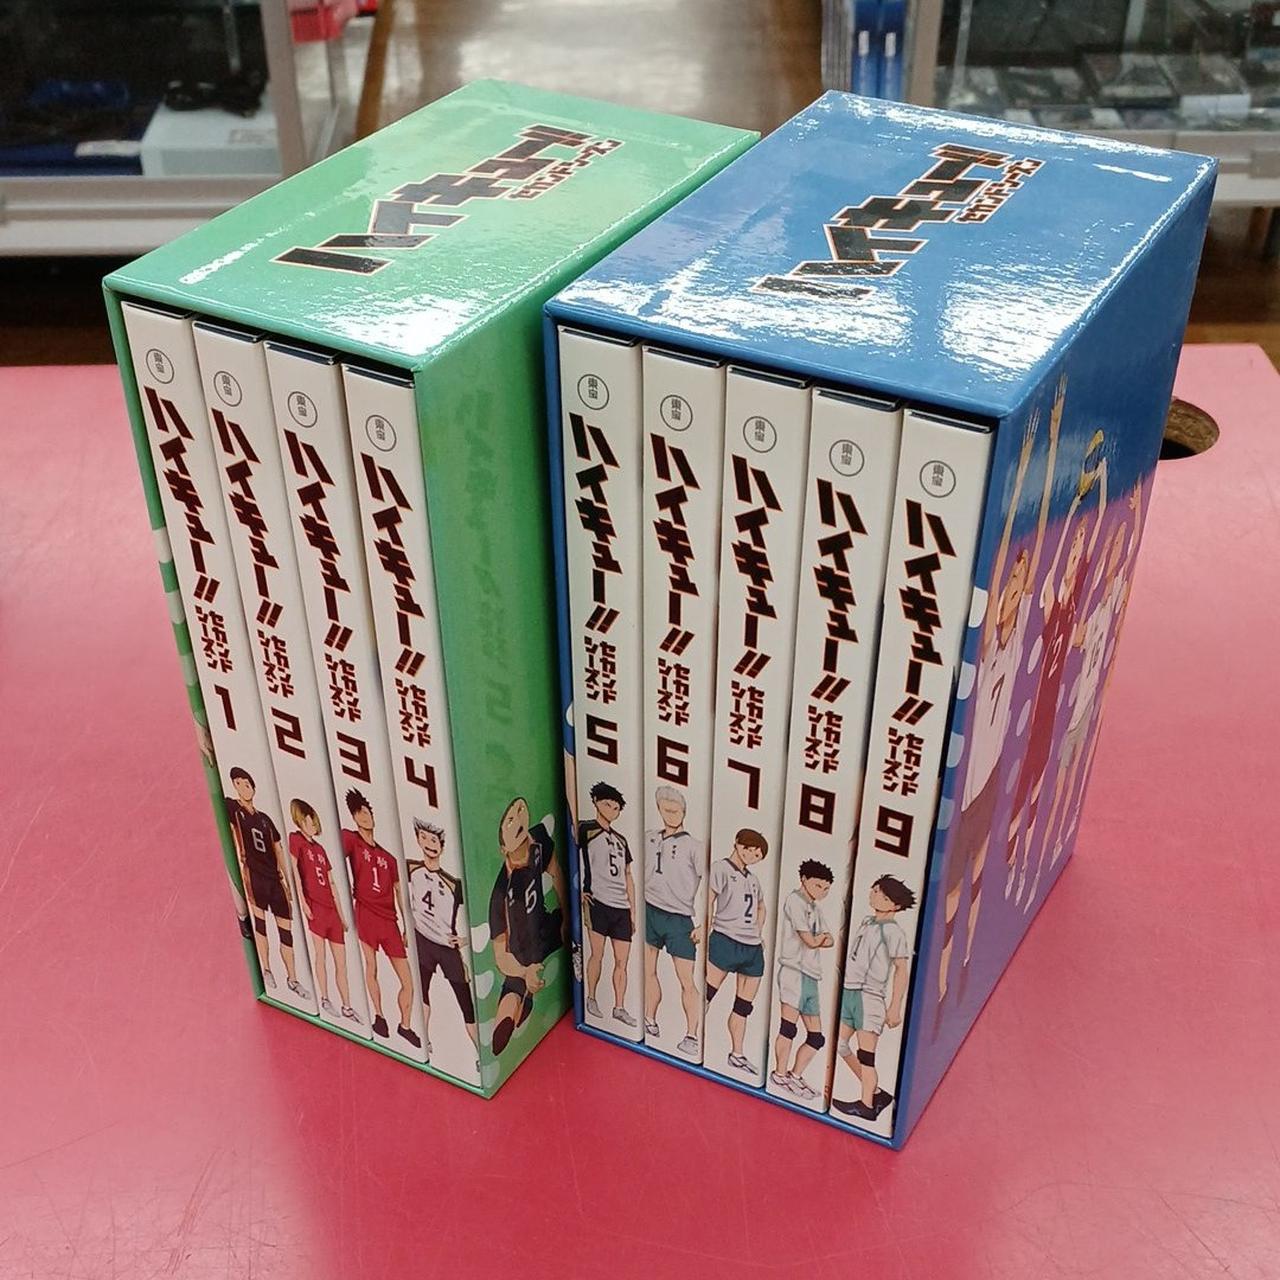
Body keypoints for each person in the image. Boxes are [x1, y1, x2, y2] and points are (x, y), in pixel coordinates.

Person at [933, 384, 1061, 1035]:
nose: (1015, 592)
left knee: (977, 884)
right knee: (952, 891)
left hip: (988, 782)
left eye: (1020, 585)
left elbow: (1033, 541)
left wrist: (1047, 444)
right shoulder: (984, 640)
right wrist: (1029, 452)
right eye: (1008, 586)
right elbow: (1006, 540)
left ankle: (960, 977)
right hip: (965, 786)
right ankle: (941, 990)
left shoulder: (1017, 638)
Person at [1006, 426, 1108, 907]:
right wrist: (1075, 502)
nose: (1077, 549)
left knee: (1038, 788)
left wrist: (1098, 482)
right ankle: (1013, 861)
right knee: (1020, 789)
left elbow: (1093, 533)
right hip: (1030, 710)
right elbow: (1063, 541)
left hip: (1052, 712)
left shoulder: (1077, 601)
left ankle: (1025, 863)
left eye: (1080, 544)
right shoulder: (1050, 597)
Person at [832, 876, 916, 1122]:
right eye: (876, 890)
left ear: (895, 905)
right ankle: (876, 1093)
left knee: (866, 1056)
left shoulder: (893, 932)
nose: (875, 895)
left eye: (883, 895)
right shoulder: (867, 922)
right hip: (851, 991)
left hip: (870, 996)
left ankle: (867, 1105)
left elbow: (901, 970)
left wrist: (895, 1006)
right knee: (840, 1044)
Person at [342, 788, 420, 1048]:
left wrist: (407, 926)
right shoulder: (351, 839)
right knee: (371, 966)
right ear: (354, 817)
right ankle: (379, 1016)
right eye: (359, 813)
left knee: (408, 981)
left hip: (390, 921)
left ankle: (405, 1025)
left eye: (367, 812)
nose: (365, 816)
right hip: (365, 912)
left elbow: (400, 893)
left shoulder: (389, 858)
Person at [490, 797, 567, 1054]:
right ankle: (509, 1016)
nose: (517, 818)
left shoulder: (539, 839)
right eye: (509, 820)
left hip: (544, 927)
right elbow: (500, 956)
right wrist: (524, 972)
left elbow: (555, 871)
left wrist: (568, 918)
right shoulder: (501, 892)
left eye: (520, 810)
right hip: (520, 952)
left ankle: (524, 1003)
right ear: (503, 848)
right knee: (513, 992)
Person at [226, 767, 308, 1000]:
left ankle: (293, 979)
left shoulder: (265, 820)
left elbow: (278, 850)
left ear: (253, 787)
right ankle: (267, 970)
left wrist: (288, 882)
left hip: (274, 879)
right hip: (254, 875)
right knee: (260, 924)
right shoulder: (233, 809)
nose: (243, 787)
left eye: (247, 783)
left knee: (286, 931)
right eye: (238, 783)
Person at [407, 819, 477, 1057]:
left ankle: (479, 1053)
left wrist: (465, 939)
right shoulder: (411, 868)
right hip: (422, 940)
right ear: (418, 839)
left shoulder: (453, 884)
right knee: (422, 992)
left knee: (466, 1003)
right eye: (424, 838)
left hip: (446, 947)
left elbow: (480, 910)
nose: (429, 843)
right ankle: (424, 1042)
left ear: (442, 846)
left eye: (434, 840)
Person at [643, 786, 705, 1057]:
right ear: (659, 809)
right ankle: (649, 1018)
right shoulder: (649, 836)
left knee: (686, 980)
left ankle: (692, 1035)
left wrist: (703, 923)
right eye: (666, 809)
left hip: (679, 918)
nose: (670, 814)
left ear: (684, 812)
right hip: (650, 910)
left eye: (675, 810)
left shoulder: (694, 846)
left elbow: (712, 885)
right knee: (648, 970)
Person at [705, 829, 768, 1077]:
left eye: (758, 854)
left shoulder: (753, 879)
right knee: (706, 993)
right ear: (737, 844)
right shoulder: (721, 868)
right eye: (749, 849)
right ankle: (691, 1034)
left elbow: (761, 906)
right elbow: (708, 899)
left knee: (743, 1006)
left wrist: (757, 932)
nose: (752, 855)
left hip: (751, 947)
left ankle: (737, 1054)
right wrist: (704, 927)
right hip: (725, 939)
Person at [769, 860, 834, 1101]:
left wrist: (818, 939)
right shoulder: (794, 901)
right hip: (793, 970)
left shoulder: (816, 909)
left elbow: (830, 940)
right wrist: (818, 939)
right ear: (804, 880)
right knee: (788, 1028)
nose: (822, 892)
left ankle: (795, 1075)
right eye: (818, 886)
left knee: (816, 1037)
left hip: (811, 974)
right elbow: (811, 940)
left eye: (826, 889)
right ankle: (779, 1074)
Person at [288, 798, 358, 1020]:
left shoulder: (320, 849)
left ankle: (347, 1006)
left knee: (341, 962)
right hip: (315, 907)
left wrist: (342, 916)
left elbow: (332, 882)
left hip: (331, 911)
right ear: (300, 821)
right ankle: (325, 998)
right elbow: (295, 873)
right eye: (308, 821)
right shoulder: (295, 840)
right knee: (320, 956)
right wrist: (303, 902)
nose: (312, 825)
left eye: (313, 822)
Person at [577, 782, 637, 1028]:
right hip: (597, 901)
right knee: (597, 954)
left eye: (616, 807)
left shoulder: (621, 839)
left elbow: (628, 875)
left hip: (621, 906)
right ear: (595, 802)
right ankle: (591, 998)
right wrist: (579, 890)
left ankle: (619, 1007)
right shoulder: (585, 829)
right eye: (607, 804)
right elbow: (574, 858)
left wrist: (633, 912)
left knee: (622, 961)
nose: (611, 810)